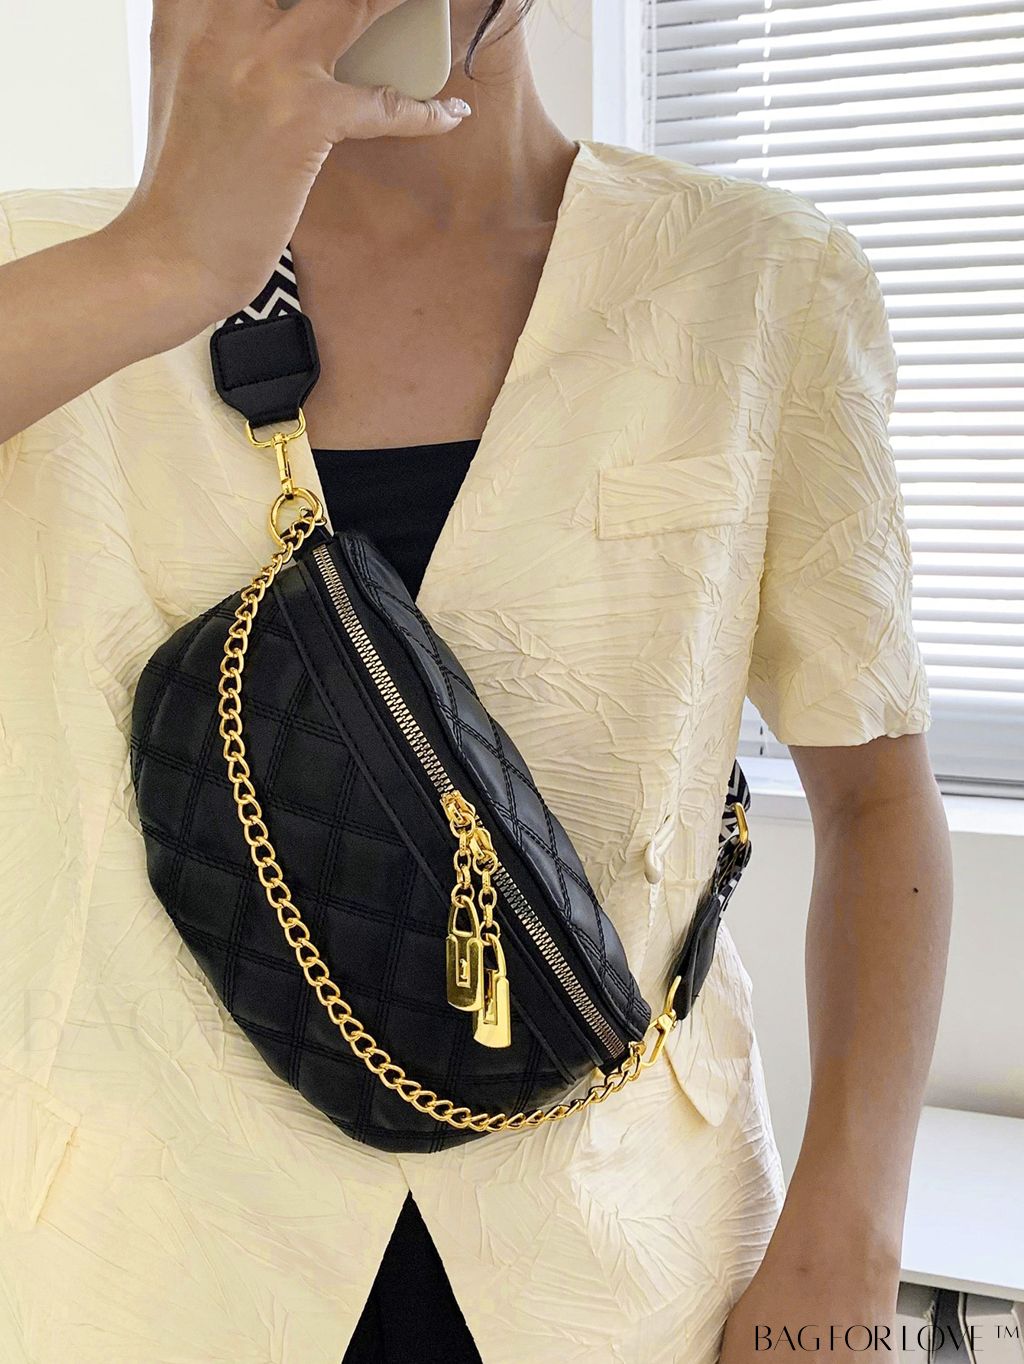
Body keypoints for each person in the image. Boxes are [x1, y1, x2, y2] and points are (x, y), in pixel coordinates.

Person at [0, 0, 953, 1361]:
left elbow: (876, 802)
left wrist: (847, 1259)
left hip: (622, 1261)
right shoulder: (49, 277)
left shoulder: (758, 282)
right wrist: (166, 260)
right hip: (144, 1269)